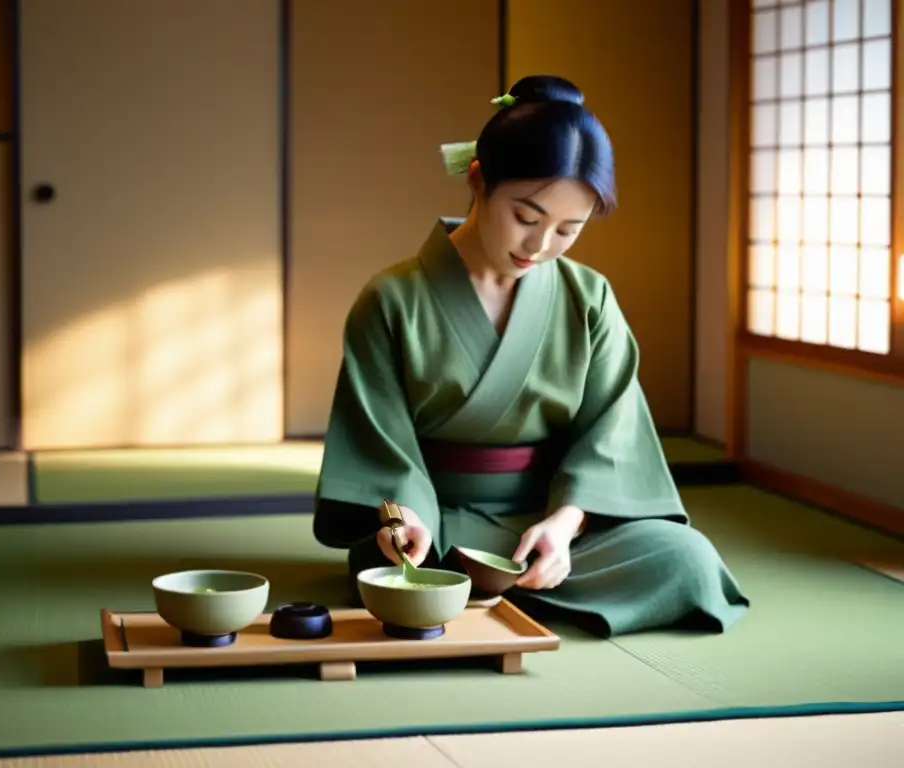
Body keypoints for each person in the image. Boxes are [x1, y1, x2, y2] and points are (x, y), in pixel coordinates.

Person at [310, 75, 749, 638]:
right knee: (392, 571)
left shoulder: (589, 298)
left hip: (549, 521)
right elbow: (378, 444)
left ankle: (513, 586)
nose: (540, 247)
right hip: (439, 526)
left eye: (570, 229)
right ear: (478, 180)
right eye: (526, 217)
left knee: (687, 560)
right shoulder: (393, 299)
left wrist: (565, 527)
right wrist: (404, 520)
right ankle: (478, 588)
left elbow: (611, 435)